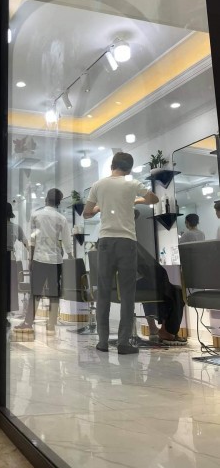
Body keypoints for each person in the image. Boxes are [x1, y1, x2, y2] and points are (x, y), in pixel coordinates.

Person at [83, 152, 159, 355]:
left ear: (112, 165)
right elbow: (154, 198)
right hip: (127, 243)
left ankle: (102, 342)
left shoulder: (98, 185)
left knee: (103, 292)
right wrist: (137, 200)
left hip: (105, 242)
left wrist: (100, 207)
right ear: (129, 168)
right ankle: (123, 343)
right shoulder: (131, 183)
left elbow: (86, 213)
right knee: (127, 294)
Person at [15, 188, 72, 334]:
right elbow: (67, 241)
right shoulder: (61, 218)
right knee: (54, 293)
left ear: (46, 199)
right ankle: (51, 325)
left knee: (35, 293)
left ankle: (28, 323)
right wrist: (70, 255)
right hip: (56, 260)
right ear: (58, 203)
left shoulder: (36, 215)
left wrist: (30, 259)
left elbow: (33, 240)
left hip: (39, 258)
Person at [133, 210, 187, 344]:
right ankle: (167, 331)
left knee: (168, 290)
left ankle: (162, 329)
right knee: (174, 292)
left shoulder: (117, 241)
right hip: (132, 283)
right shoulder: (126, 242)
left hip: (133, 281)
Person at [7, 202, 28, 312]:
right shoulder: (15, 227)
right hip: (10, 258)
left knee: (9, 286)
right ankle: (9, 310)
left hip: (8, 258)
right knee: (11, 286)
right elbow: (25, 242)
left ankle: (6, 310)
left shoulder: (15, 227)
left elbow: (25, 242)